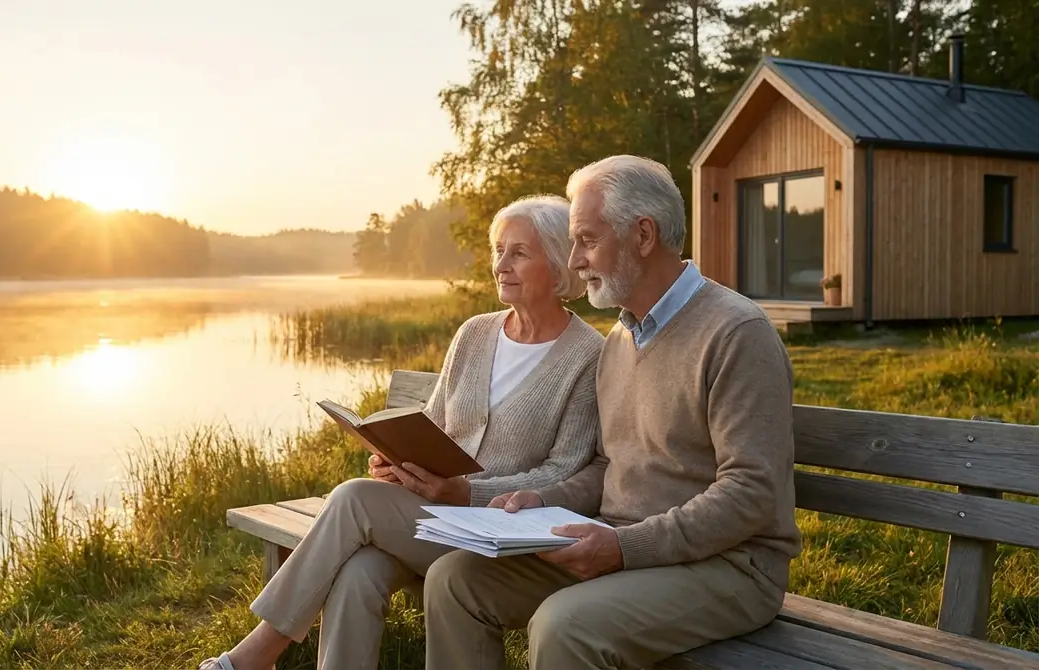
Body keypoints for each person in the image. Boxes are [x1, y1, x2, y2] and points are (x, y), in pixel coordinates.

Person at [422, 155, 803, 669]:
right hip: (622, 542)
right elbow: (608, 466)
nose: (574, 260)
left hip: (730, 566)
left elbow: (752, 493)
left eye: (587, 239)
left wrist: (626, 547)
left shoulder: (736, 333)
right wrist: (541, 498)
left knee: (564, 626)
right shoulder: (622, 337)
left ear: (642, 236)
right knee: (455, 581)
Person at [199, 194, 606, 670]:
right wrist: (394, 456)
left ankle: (257, 654)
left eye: (519, 253)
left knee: (353, 499)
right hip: (431, 517)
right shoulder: (475, 332)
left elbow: (565, 469)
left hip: (498, 536)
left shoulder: (587, 355)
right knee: (359, 569)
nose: (501, 265)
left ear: (558, 267)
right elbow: (433, 421)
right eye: (498, 250)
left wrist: (467, 493)